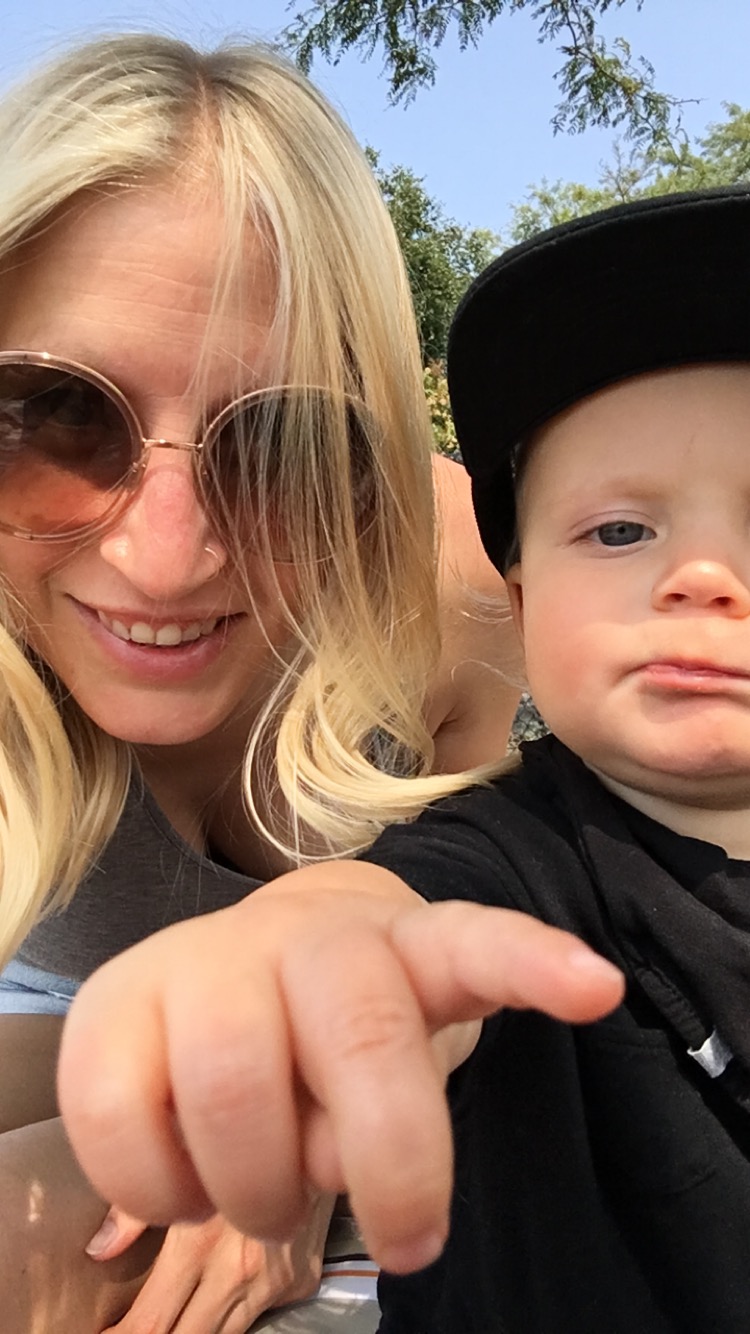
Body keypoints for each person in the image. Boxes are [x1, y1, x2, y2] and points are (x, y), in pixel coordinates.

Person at [56, 184, 750, 1332]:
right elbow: (371, 912)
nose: (703, 579)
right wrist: (288, 972)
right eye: (620, 529)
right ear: (519, 604)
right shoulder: (514, 856)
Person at [0, 30, 524, 1334]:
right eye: (52, 417)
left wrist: (308, 1096)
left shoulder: (454, 587)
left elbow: (501, 910)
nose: (163, 555)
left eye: (282, 444)